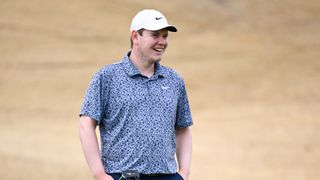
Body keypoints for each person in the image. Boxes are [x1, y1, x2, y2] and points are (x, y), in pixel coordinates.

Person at [79, 9, 193, 180]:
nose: (162, 41)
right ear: (135, 37)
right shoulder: (107, 77)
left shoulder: (174, 80)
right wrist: (99, 174)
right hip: (121, 176)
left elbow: (183, 128)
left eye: (165, 36)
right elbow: (86, 125)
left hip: (168, 176)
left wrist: (183, 173)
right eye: (155, 35)